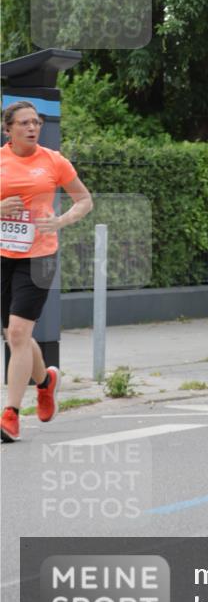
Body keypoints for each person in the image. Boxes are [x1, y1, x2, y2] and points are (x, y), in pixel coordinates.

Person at [1, 101, 93, 442]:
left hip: (39, 256)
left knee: (19, 334)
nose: (32, 128)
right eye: (24, 123)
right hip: (3, 255)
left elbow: (84, 200)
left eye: (36, 123)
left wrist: (60, 220)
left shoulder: (53, 160)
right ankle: (45, 382)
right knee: (14, 334)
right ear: (7, 129)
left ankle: (10, 414)